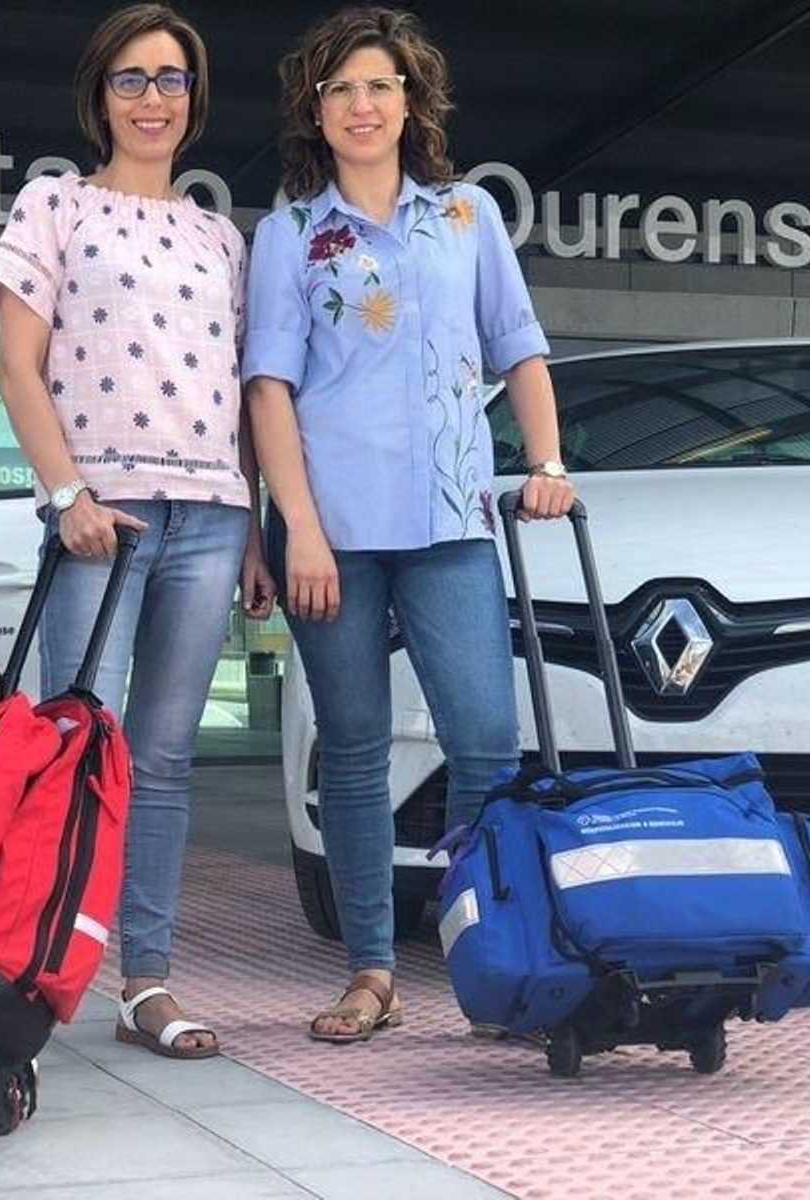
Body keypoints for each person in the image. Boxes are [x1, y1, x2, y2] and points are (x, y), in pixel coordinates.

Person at [243, 5, 575, 1043]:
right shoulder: (288, 234)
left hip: (449, 518)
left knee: (484, 741)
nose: (360, 104)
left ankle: (486, 960)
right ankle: (372, 973)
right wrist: (294, 526)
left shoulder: (467, 217)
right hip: (330, 527)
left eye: (378, 85)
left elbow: (519, 349)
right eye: (340, 87)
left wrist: (548, 463)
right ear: (315, 107)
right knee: (350, 749)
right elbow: (268, 389)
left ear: (409, 101)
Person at [0, 2, 274, 1060]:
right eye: (131, 79)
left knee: (160, 760)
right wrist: (67, 500)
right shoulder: (54, 205)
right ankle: (36, 962)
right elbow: (17, 366)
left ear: (194, 102)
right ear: (98, 96)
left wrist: (252, 532)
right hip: (101, 520)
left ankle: (143, 982)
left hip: (209, 516)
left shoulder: (219, 234)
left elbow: (241, 392)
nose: (153, 99)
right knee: (74, 752)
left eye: (172, 80)